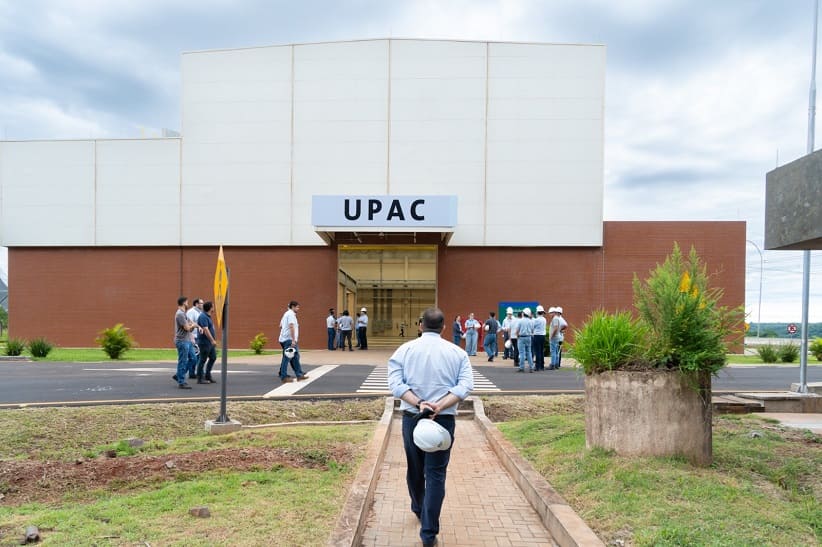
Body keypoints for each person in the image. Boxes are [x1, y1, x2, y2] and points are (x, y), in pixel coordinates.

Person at [387, 307, 474, 547]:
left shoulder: (405, 350)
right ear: (444, 327)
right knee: (436, 474)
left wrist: (419, 402)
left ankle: (418, 507)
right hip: (443, 419)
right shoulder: (457, 353)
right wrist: (440, 405)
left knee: (415, 469)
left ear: (420, 326)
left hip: (413, 417)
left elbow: (395, 384)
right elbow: (466, 385)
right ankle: (428, 534)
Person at [278, 300, 308, 383]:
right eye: (297, 307)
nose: (298, 308)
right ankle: (284, 377)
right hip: (289, 340)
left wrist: (284, 332)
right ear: (293, 307)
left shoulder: (287, 314)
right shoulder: (290, 314)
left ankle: (299, 375)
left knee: (295, 357)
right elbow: (291, 326)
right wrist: (293, 339)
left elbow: (280, 325)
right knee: (287, 358)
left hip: (285, 339)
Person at [173, 296, 198, 389]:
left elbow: (189, 325)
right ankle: (181, 382)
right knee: (182, 360)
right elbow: (187, 327)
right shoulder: (180, 314)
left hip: (187, 340)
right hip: (182, 341)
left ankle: (179, 375)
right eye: (187, 302)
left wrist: (192, 325)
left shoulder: (184, 313)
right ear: (184, 303)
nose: (188, 304)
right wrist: (193, 326)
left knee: (193, 359)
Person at [195, 301, 218, 383]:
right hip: (204, 342)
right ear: (210, 308)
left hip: (209, 343)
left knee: (213, 357)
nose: (214, 308)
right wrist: (212, 340)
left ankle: (208, 375)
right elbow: (205, 329)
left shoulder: (208, 316)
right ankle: (200, 378)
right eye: (213, 306)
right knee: (202, 359)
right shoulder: (203, 316)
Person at [185, 298, 204, 375]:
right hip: (193, 337)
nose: (203, 305)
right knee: (195, 356)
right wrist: (191, 337)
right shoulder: (191, 312)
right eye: (201, 303)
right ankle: (192, 373)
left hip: (199, 337)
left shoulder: (200, 312)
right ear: (196, 304)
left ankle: (194, 372)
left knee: (198, 356)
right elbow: (189, 323)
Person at [517, 307, 535, 373]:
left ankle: (521, 367)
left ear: (523, 313)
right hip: (529, 337)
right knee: (529, 353)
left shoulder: (520, 321)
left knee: (522, 353)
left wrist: (517, 336)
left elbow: (517, 330)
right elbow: (533, 330)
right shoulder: (531, 321)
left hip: (521, 337)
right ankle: (531, 367)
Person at [532, 305, 547, 371]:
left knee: (537, 351)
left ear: (537, 312)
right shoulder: (544, 319)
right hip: (543, 336)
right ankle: (542, 366)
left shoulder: (536, 320)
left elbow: (532, 327)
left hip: (537, 336)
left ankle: (537, 366)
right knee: (541, 351)